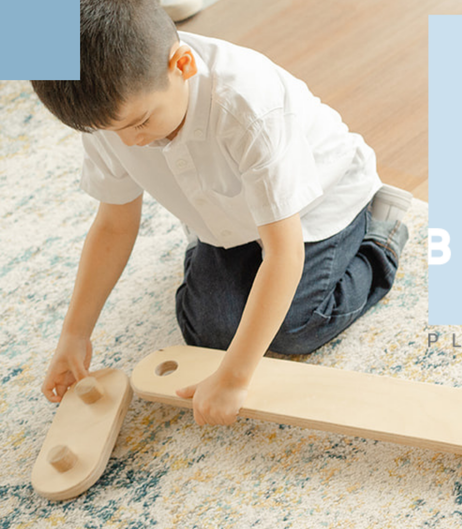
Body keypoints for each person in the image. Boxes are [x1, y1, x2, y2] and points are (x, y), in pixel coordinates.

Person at [33, 0, 410, 425]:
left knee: (294, 329)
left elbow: (284, 253)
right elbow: (115, 225)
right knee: (205, 335)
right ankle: (208, 242)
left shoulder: (246, 104)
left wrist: (234, 377)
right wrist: (74, 334)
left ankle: (381, 236)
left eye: (140, 123)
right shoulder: (114, 117)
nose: (130, 144)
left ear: (182, 64)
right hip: (227, 217)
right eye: (112, 132)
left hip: (315, 207)